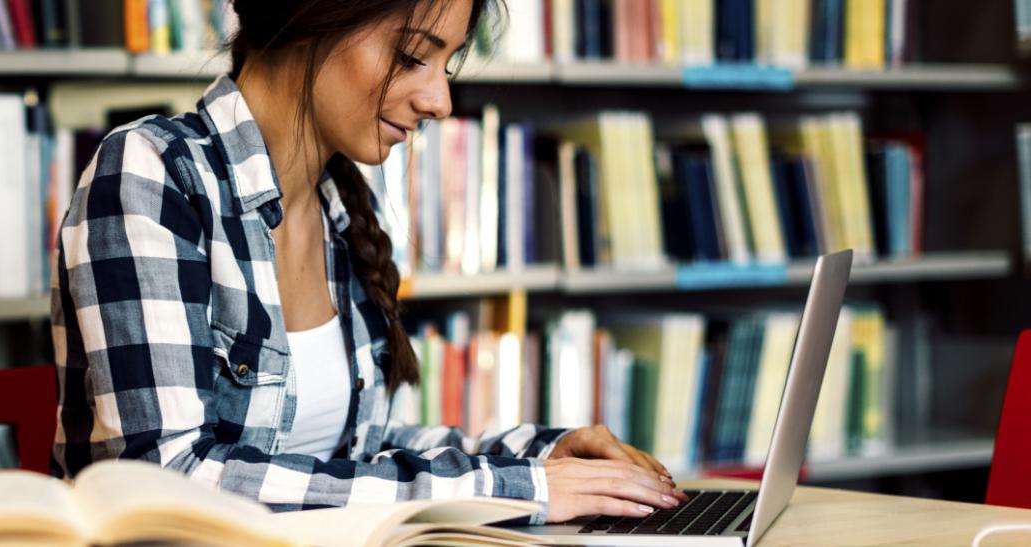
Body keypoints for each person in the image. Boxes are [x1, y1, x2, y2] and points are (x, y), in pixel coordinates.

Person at [50, 0, 688, 524]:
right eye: (412, 56)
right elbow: (170, 482)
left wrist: (540, 456)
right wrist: (513, 490)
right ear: (309, 20)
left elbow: (352, 459)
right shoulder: (151, 175)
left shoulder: (338, 212)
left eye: (447, 63)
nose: (440, 101)